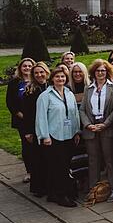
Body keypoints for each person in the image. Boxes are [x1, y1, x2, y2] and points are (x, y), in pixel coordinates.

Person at [35, 66, 81, 207]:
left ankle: (58, 192)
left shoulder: (69, 93)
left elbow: (74, 114)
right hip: (53, 136)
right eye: (57, 77)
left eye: (62, 77)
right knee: (57, 166)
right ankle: (60, 195)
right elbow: (41, 117)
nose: (60, 79)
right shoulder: (45, 96)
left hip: (68, 134)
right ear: (52, 79)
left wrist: (77, 131)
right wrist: (44, 136)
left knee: (65, 165)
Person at [80, 60, 113, 198]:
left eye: (103, 70)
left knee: (110, 160)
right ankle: (93, 189)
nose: (100, 73)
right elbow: (82, 109)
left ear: (107, 72)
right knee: (93, 160)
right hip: (91, 128)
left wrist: (106, 124)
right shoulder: (88, 89)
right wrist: (88, 125)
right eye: (98, 71)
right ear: (93, 73)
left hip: (107, 128)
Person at [22, 62, 50, 197]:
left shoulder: (51, 87)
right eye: (36, 73)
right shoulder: (30, 90)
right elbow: (26, 113)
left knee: (49, 158)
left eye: (41, 72)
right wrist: (27, 131)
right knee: (37, 158)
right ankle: (39, 187)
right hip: (34, 128)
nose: (39, 75)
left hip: (51, 127)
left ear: (46, 72)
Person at [6, 58, 34, 183]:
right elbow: (10, 102)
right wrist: (19, 114)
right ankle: (29, 172)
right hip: (22, 120)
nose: (27, 68)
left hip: (36, 118)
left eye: (29, 66)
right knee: (27, 146)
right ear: (20, 68)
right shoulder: (14, 83)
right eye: (25, 66)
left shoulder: (36, 81)